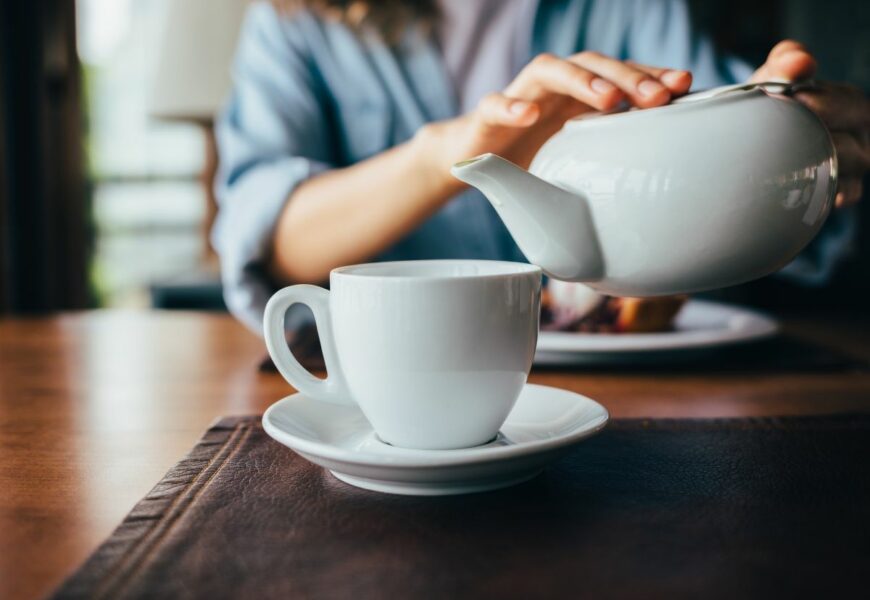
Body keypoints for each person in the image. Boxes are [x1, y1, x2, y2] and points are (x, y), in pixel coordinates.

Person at [215, 0, 869, 333]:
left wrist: (790, 134)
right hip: (405, 378)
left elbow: (724, 132)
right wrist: (452, 153)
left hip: (647, 397)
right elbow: (270, 239)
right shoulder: (297, 19)